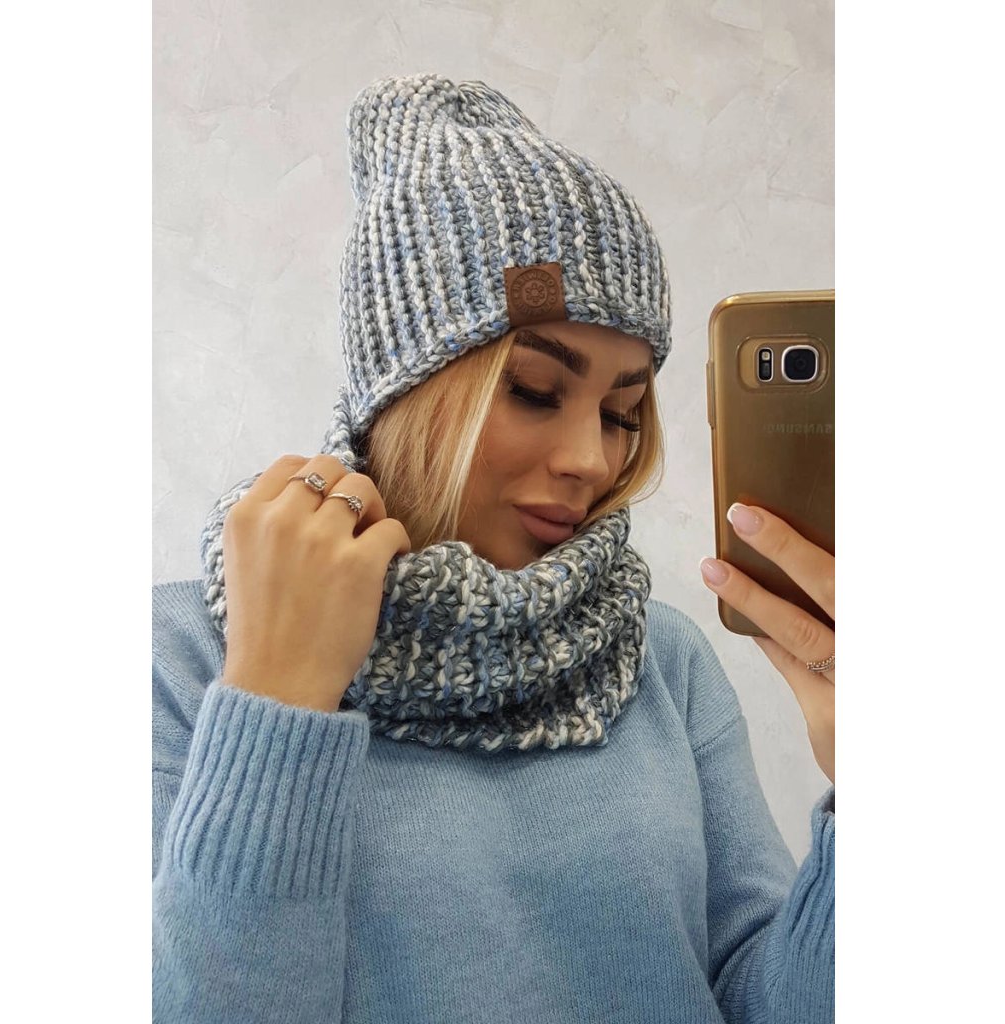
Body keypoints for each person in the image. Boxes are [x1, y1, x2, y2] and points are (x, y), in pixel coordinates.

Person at [152, 73, 834, 1023]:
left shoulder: (662, 661)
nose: (592, 459)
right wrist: (277, 696)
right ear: (403, 390)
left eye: (623, 412)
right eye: (534, 391)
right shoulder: (183, 659)